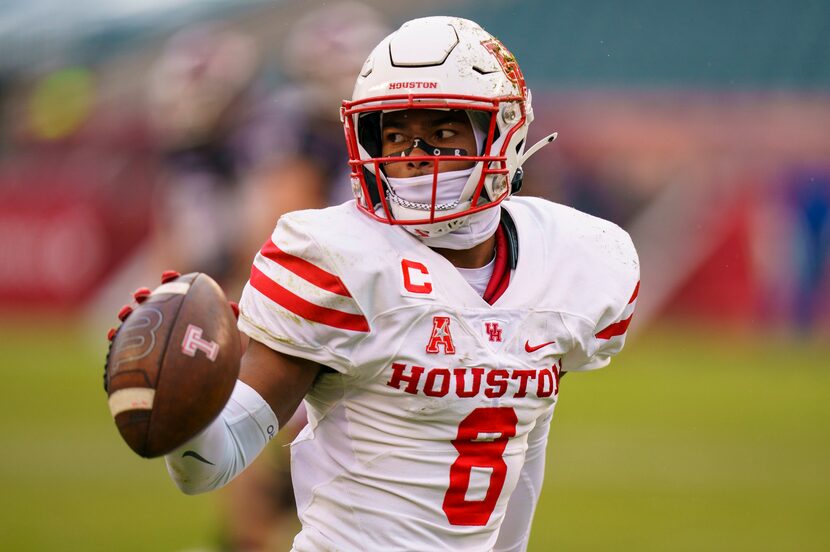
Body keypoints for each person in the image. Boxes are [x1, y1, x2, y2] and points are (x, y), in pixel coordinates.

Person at [162, 16, 640, 551]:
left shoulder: (575, 257)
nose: (414, 156)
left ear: (504, 131)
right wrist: (179, 407)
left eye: (441, 133)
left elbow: (526, 435)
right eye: (395, 134)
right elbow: (208, 463)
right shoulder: (338, 259)